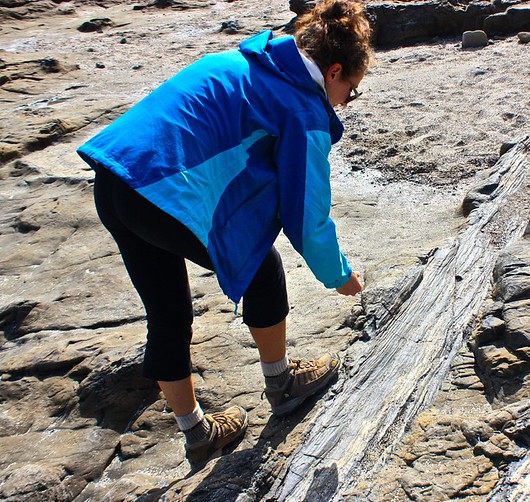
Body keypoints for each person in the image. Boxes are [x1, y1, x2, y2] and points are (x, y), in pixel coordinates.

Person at [77, 0, 372, 468]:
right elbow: (305, 213)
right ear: (334, 71)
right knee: (262, 266)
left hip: (114, 177)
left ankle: (196, 434)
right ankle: (282, 385)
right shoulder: (301, 107)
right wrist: (340, 276)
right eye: (349, 92)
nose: (343, 102)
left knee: (167, 310)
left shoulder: (234, 59)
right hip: (159, 192)